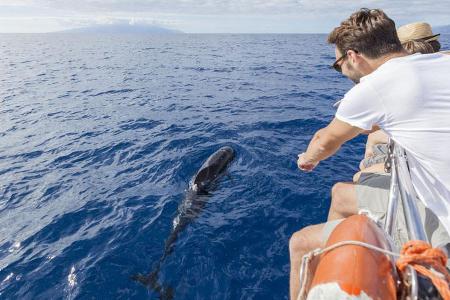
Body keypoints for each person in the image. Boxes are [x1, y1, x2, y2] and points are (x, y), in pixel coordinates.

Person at [289, 9, 450, 300]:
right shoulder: (439, 61)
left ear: (353, 56)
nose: (342, 72)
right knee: (342, 193)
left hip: (443, 220)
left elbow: (324, 141)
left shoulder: (374, 87)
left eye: (339, 65)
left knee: (300, 244)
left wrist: (307, 160)